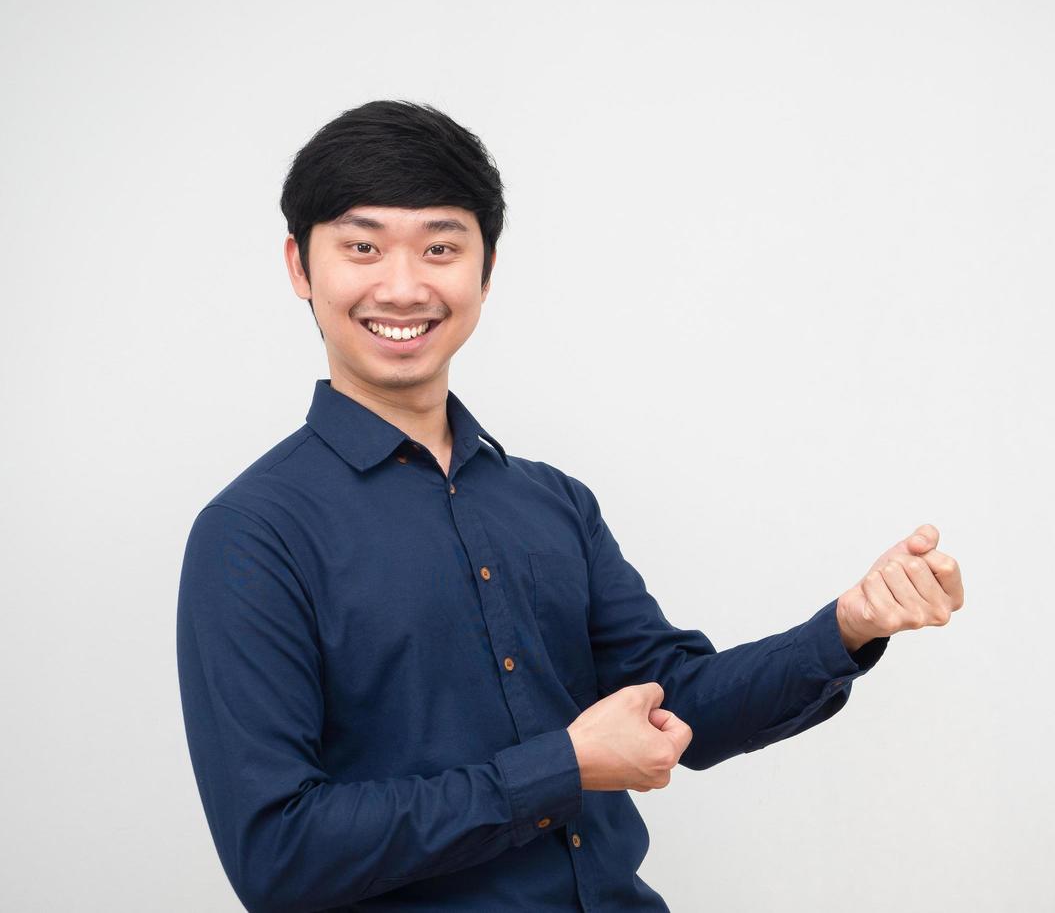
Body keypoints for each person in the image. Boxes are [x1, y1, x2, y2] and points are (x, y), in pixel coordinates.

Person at [174, 99, 965, 913]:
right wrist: (563, 766)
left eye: (441, 247)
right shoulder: (252, 533)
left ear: (484, 270)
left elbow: (677, 703)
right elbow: (278, 852)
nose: (403, 285)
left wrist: (847, 626)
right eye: (362, 247)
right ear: (301, 267)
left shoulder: (552, 503)